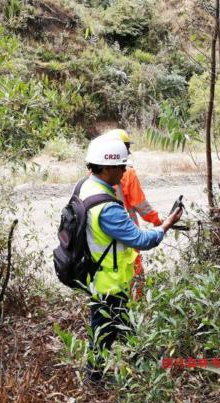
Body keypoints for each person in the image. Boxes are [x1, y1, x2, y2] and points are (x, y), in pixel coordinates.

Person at [81, 137, 183, 383]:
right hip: (109, 281)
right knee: (105, 329)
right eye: (121, 167)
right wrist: (167, 223)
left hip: (98, 275)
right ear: (106, 168)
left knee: (119, 324)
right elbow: (142, 240)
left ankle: (138, 363)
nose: (125, 171)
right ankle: (96, 376)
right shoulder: (107, 207)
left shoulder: (86, 187)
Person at [96, 129, 162, 298]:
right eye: (125, 147)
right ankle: (137, 304)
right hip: (128, 232)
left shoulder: (95, 174)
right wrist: (157, 221)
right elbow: (140, 205)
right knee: (135, 269)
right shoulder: (128, 173)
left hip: (103, 236)